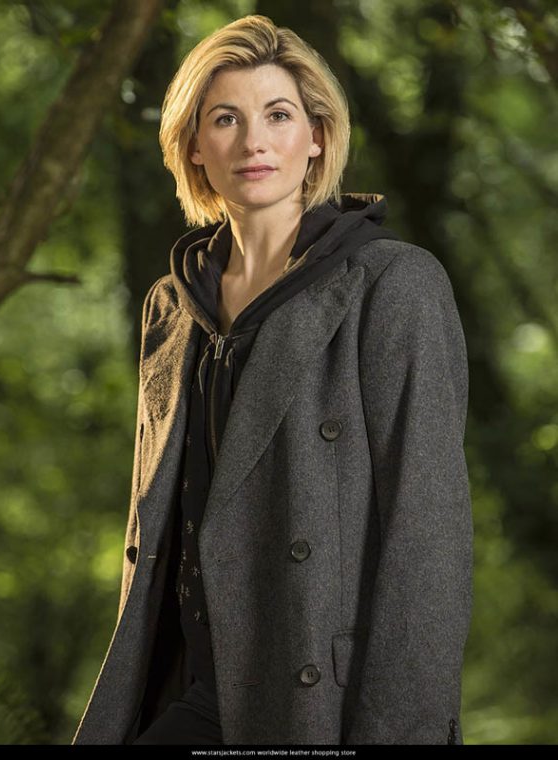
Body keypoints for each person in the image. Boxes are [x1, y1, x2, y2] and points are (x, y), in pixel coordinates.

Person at [72, 14, 474, 746]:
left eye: (278, 115)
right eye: (225, 118)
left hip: (319, 696)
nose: (253, 141)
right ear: (195, 146)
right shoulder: (172, 305)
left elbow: (429, 534)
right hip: (185, 678)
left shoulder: (393, 284)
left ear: (316, 136)